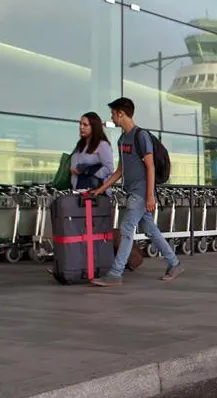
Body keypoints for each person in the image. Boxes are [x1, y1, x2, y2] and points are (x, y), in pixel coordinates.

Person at [91, 97, 184, 286]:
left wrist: (150, 196)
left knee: (126, 228)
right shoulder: (121, 139)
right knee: (150, 229)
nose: (112, 117)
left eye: (113, 114)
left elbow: (150, 167)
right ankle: (174, 263)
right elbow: (119, 171)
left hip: (141, 192)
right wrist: (100, 189)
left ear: (121, 114)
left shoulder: (140, 136)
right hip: (132, 191)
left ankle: (115, 274)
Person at [71, 112, 113, 191]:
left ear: (94, 127)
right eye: (80, 124)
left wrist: (89, 173)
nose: (81, 127)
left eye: (85, 125)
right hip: (78, 189)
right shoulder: (80, 145)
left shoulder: (102, 145)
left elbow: (109, 169)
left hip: (94, 191)